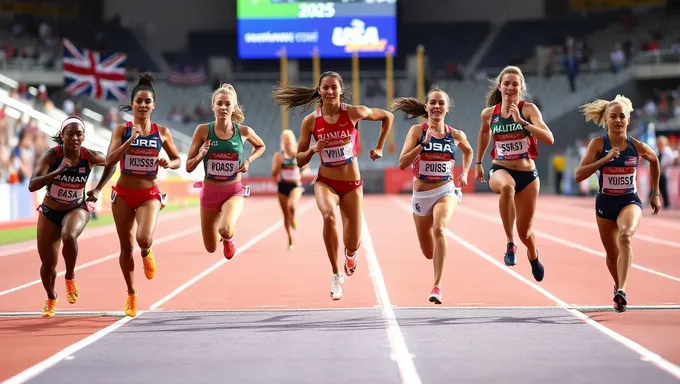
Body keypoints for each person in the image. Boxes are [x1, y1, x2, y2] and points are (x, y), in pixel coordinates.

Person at [272, 71, 394, 300]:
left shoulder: (354, 112)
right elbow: (299, 159)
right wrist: (312, 150)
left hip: (352, 184)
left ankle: (350, 254)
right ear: (319, 90)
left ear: (340, 90)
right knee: (328, 216)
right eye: (325, 87)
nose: (329, 91)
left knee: (353, 242)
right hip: (325, 182)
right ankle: (336, 274)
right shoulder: (311, 121)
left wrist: (379, 146)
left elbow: (388, 116)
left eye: (333, 87)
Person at [105, 72, 182, 317]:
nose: (143, 105)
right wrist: (130, 142)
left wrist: (170, 164)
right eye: (139, 101)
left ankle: (147, 252)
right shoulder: (121, 130)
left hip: (149, 192)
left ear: (153, 105)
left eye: (147, 101)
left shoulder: (163, 132)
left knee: (143, 239)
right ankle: (131, 293)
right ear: (132, 104)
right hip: (124, 194)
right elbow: (110, 159)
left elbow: (178, 159)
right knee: (126, 248)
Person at [575, 95, 661, 312]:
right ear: (606, 120)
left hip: (629, 201)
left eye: (622, 116)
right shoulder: (598, 144)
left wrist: (655, 193)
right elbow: (579, 175)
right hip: (605, 204)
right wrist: (604, 160)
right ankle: (617, 285)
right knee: (612, 254)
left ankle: (622, 289)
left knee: (625, 235)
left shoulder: (636, 146)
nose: (618, 120)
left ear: (628, 120)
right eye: (613, 117)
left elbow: (654, 160)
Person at [391, 86, 473, 304]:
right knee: (428, 251)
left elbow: (468, 150)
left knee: (440, 228)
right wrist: (423, 144)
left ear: (447, 108)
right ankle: (437, 265)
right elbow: (402, 163)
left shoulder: (455, 134)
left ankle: (437, 286)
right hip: (421, 196)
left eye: (441, 103)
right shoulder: (417, 131)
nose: (437, 106)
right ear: (426, 107)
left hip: (446, 190)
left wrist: (464, 173)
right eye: (433, 103)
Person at [28, 116, 116, 318]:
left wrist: (98, 188)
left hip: (77, 208)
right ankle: (51, 297)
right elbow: (33, 185)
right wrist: (59, 171)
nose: (75, 138)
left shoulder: (90, 156)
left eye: (79, 134)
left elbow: (112, 162)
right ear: (62, 135)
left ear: (84, 136)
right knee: (48, 264)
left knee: (69, 236)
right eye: (70, 134)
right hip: (50, 212)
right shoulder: (52, 156)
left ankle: (70, 276)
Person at [475, 65, 553, 282]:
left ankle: (533, 255)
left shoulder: (529, 110)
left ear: (521, 87)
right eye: (506, 83)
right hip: (501, 169)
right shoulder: (489, 114)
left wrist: (522, 123)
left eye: (515, 84)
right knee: (507, 186)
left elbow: (549, 139)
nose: (510, 87)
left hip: (528, 175)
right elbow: (483, 134)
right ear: (500, 86)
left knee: (525, 233)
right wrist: (479, 162)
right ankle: (510, 244)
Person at [185, 83, 266, 258]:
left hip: (233, 191)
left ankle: (229, 239)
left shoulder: (243, 131)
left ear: (233, 107)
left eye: (227, 104)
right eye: (219, 103)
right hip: (209, 192)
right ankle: (223, 238)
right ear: (212, 106)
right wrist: (201, 154)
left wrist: (248, 160)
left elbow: (261, 146)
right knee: (211, 247)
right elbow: (188, 167)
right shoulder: (202, 130)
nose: (223, 107)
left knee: (225, 229)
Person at [271, 129, 309, 249]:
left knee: (291, 206)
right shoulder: (278, 156)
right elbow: (274, 173)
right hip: (282, 186)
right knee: (285, 215)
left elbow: (306, 169)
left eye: (289, 140)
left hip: (295, 185)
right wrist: (279, 165)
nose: (287, 142)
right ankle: (290, 237)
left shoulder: (298, 153)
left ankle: (293, 217)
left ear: (292, 141)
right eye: (285, 140)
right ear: (282, 142)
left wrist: (301, 174)